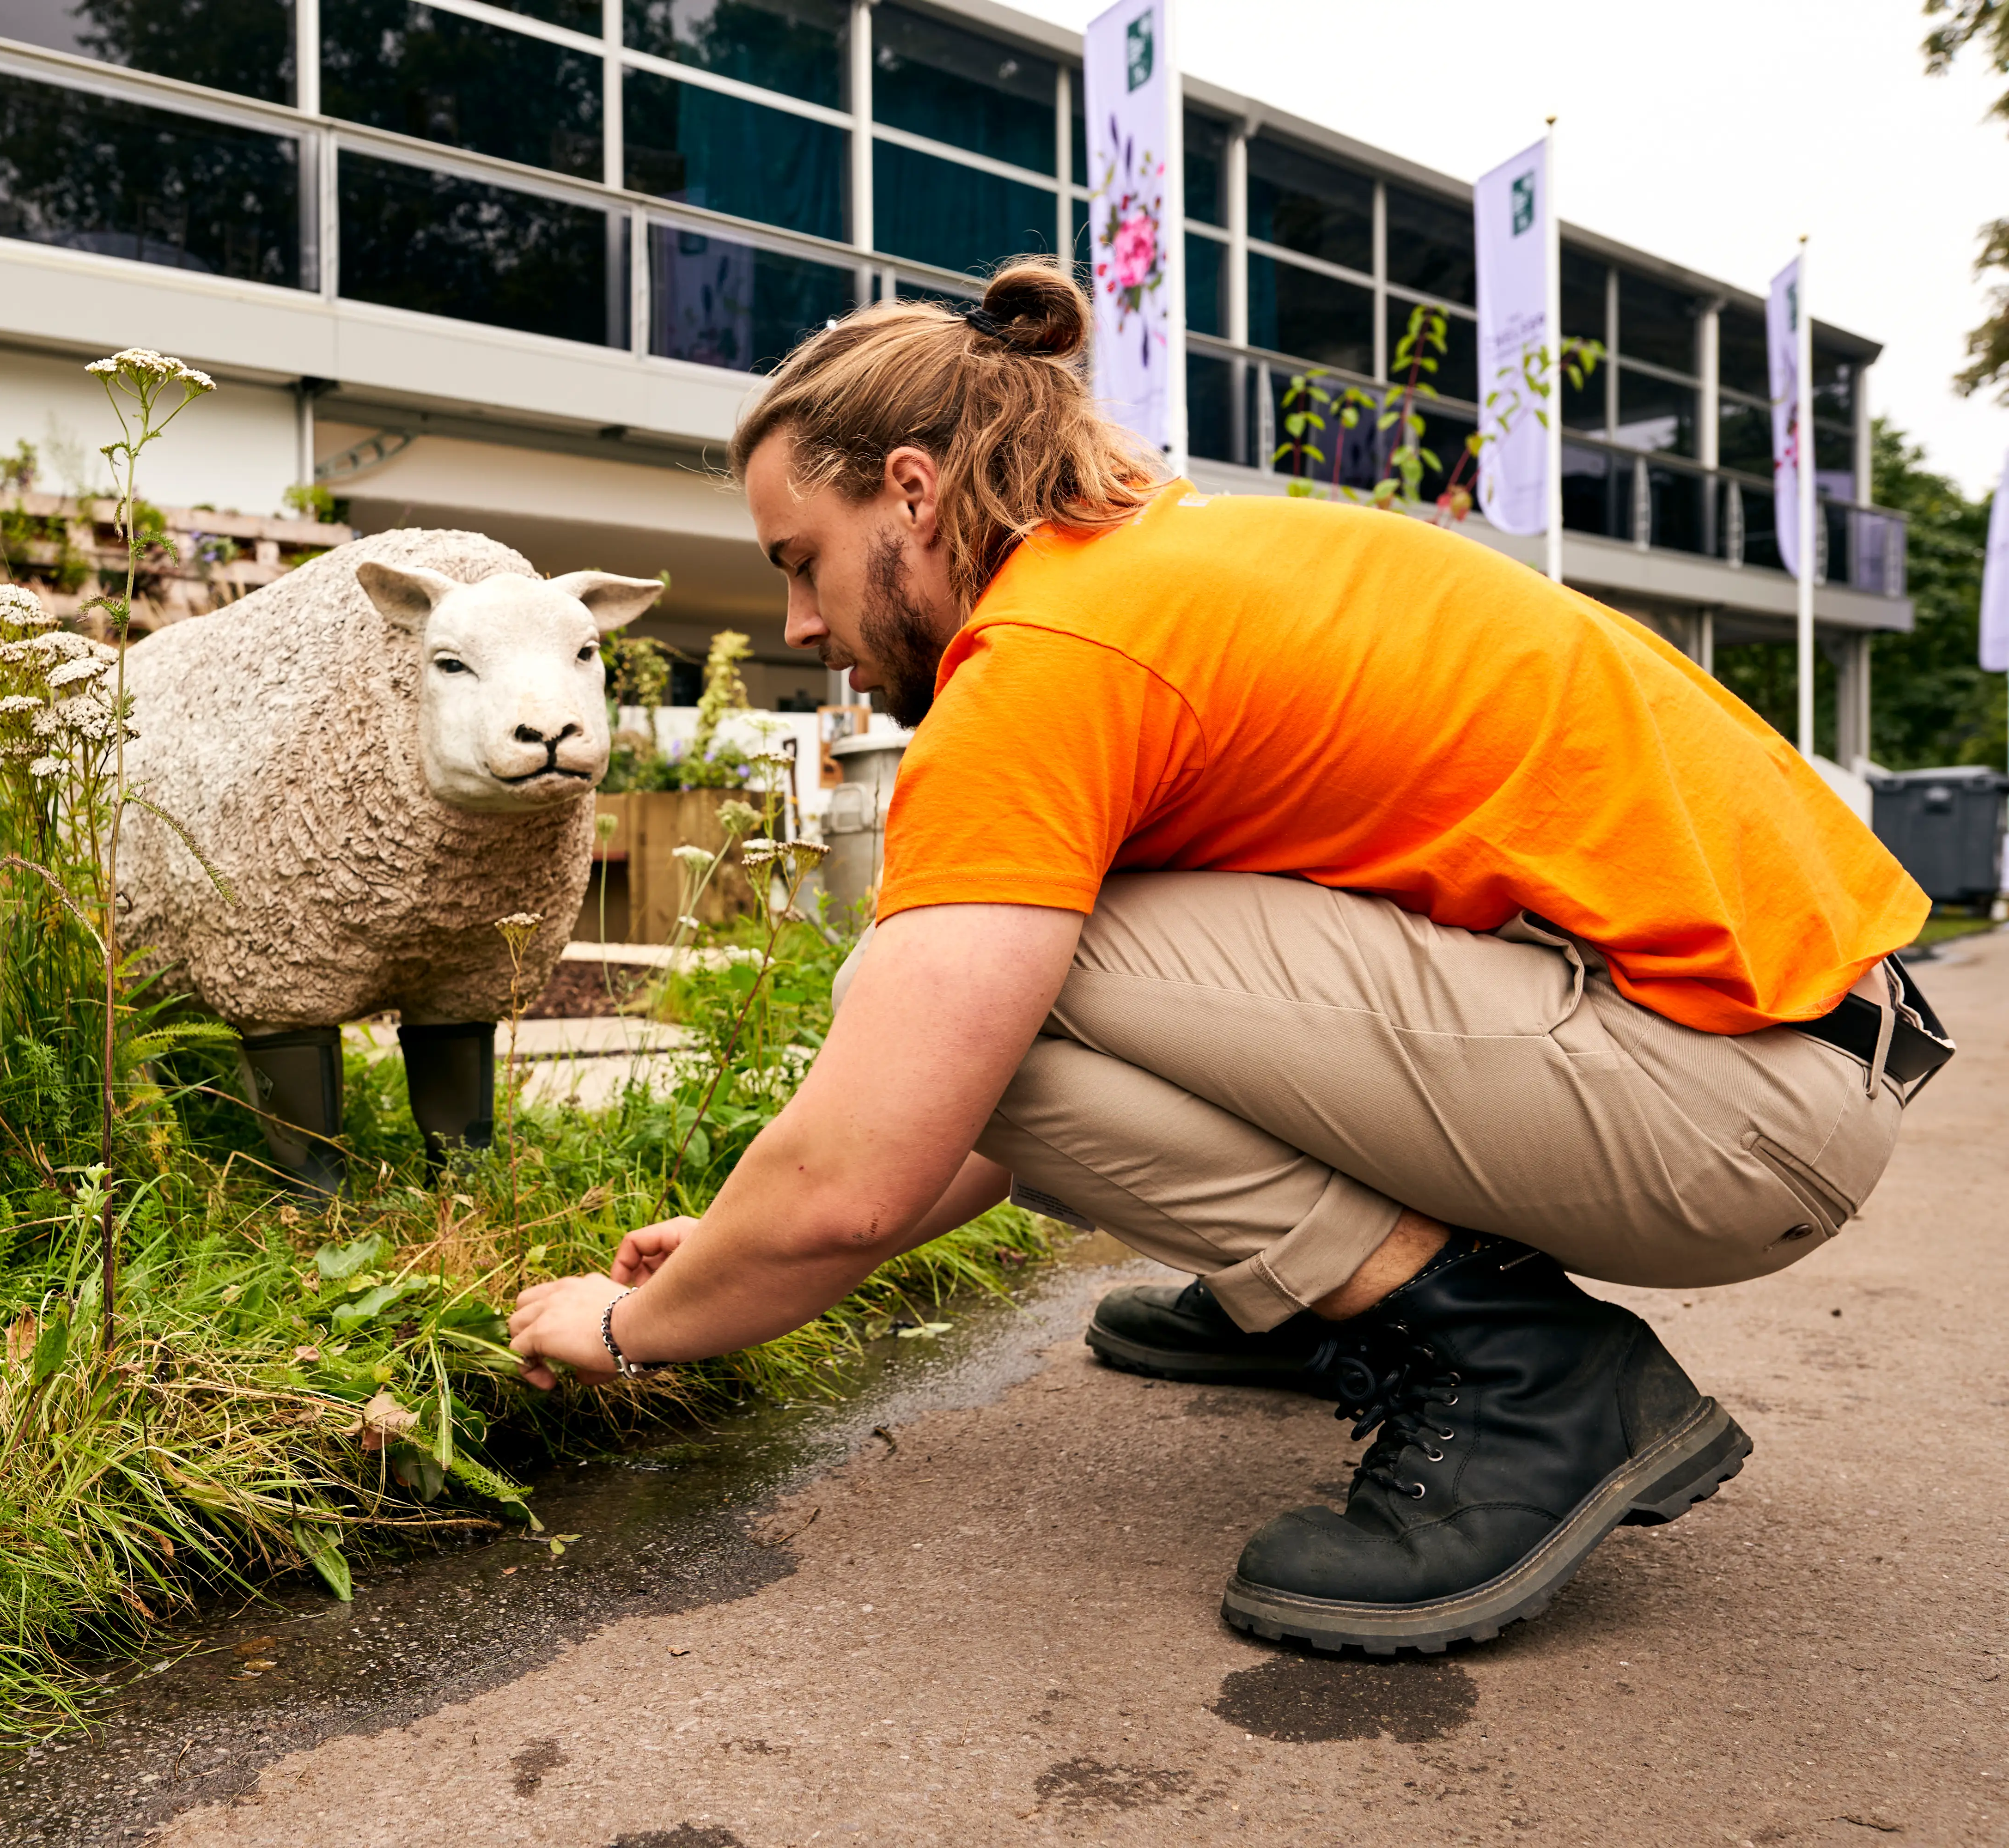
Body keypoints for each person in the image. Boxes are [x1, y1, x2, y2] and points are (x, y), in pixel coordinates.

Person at [505, 257, 1953, 1655]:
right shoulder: (1159, 570)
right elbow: (1009, 1115)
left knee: (948, 984)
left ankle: (1524, 1380)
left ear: (913, 492)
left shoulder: (1048, 661)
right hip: (1779, 1061)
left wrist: (637, 1328)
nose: (801, 625)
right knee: (1011, 981)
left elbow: (871, 1164)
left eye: (798, 563)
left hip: (1733, 1118)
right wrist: (741, 1253)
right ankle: (1329, 1293)